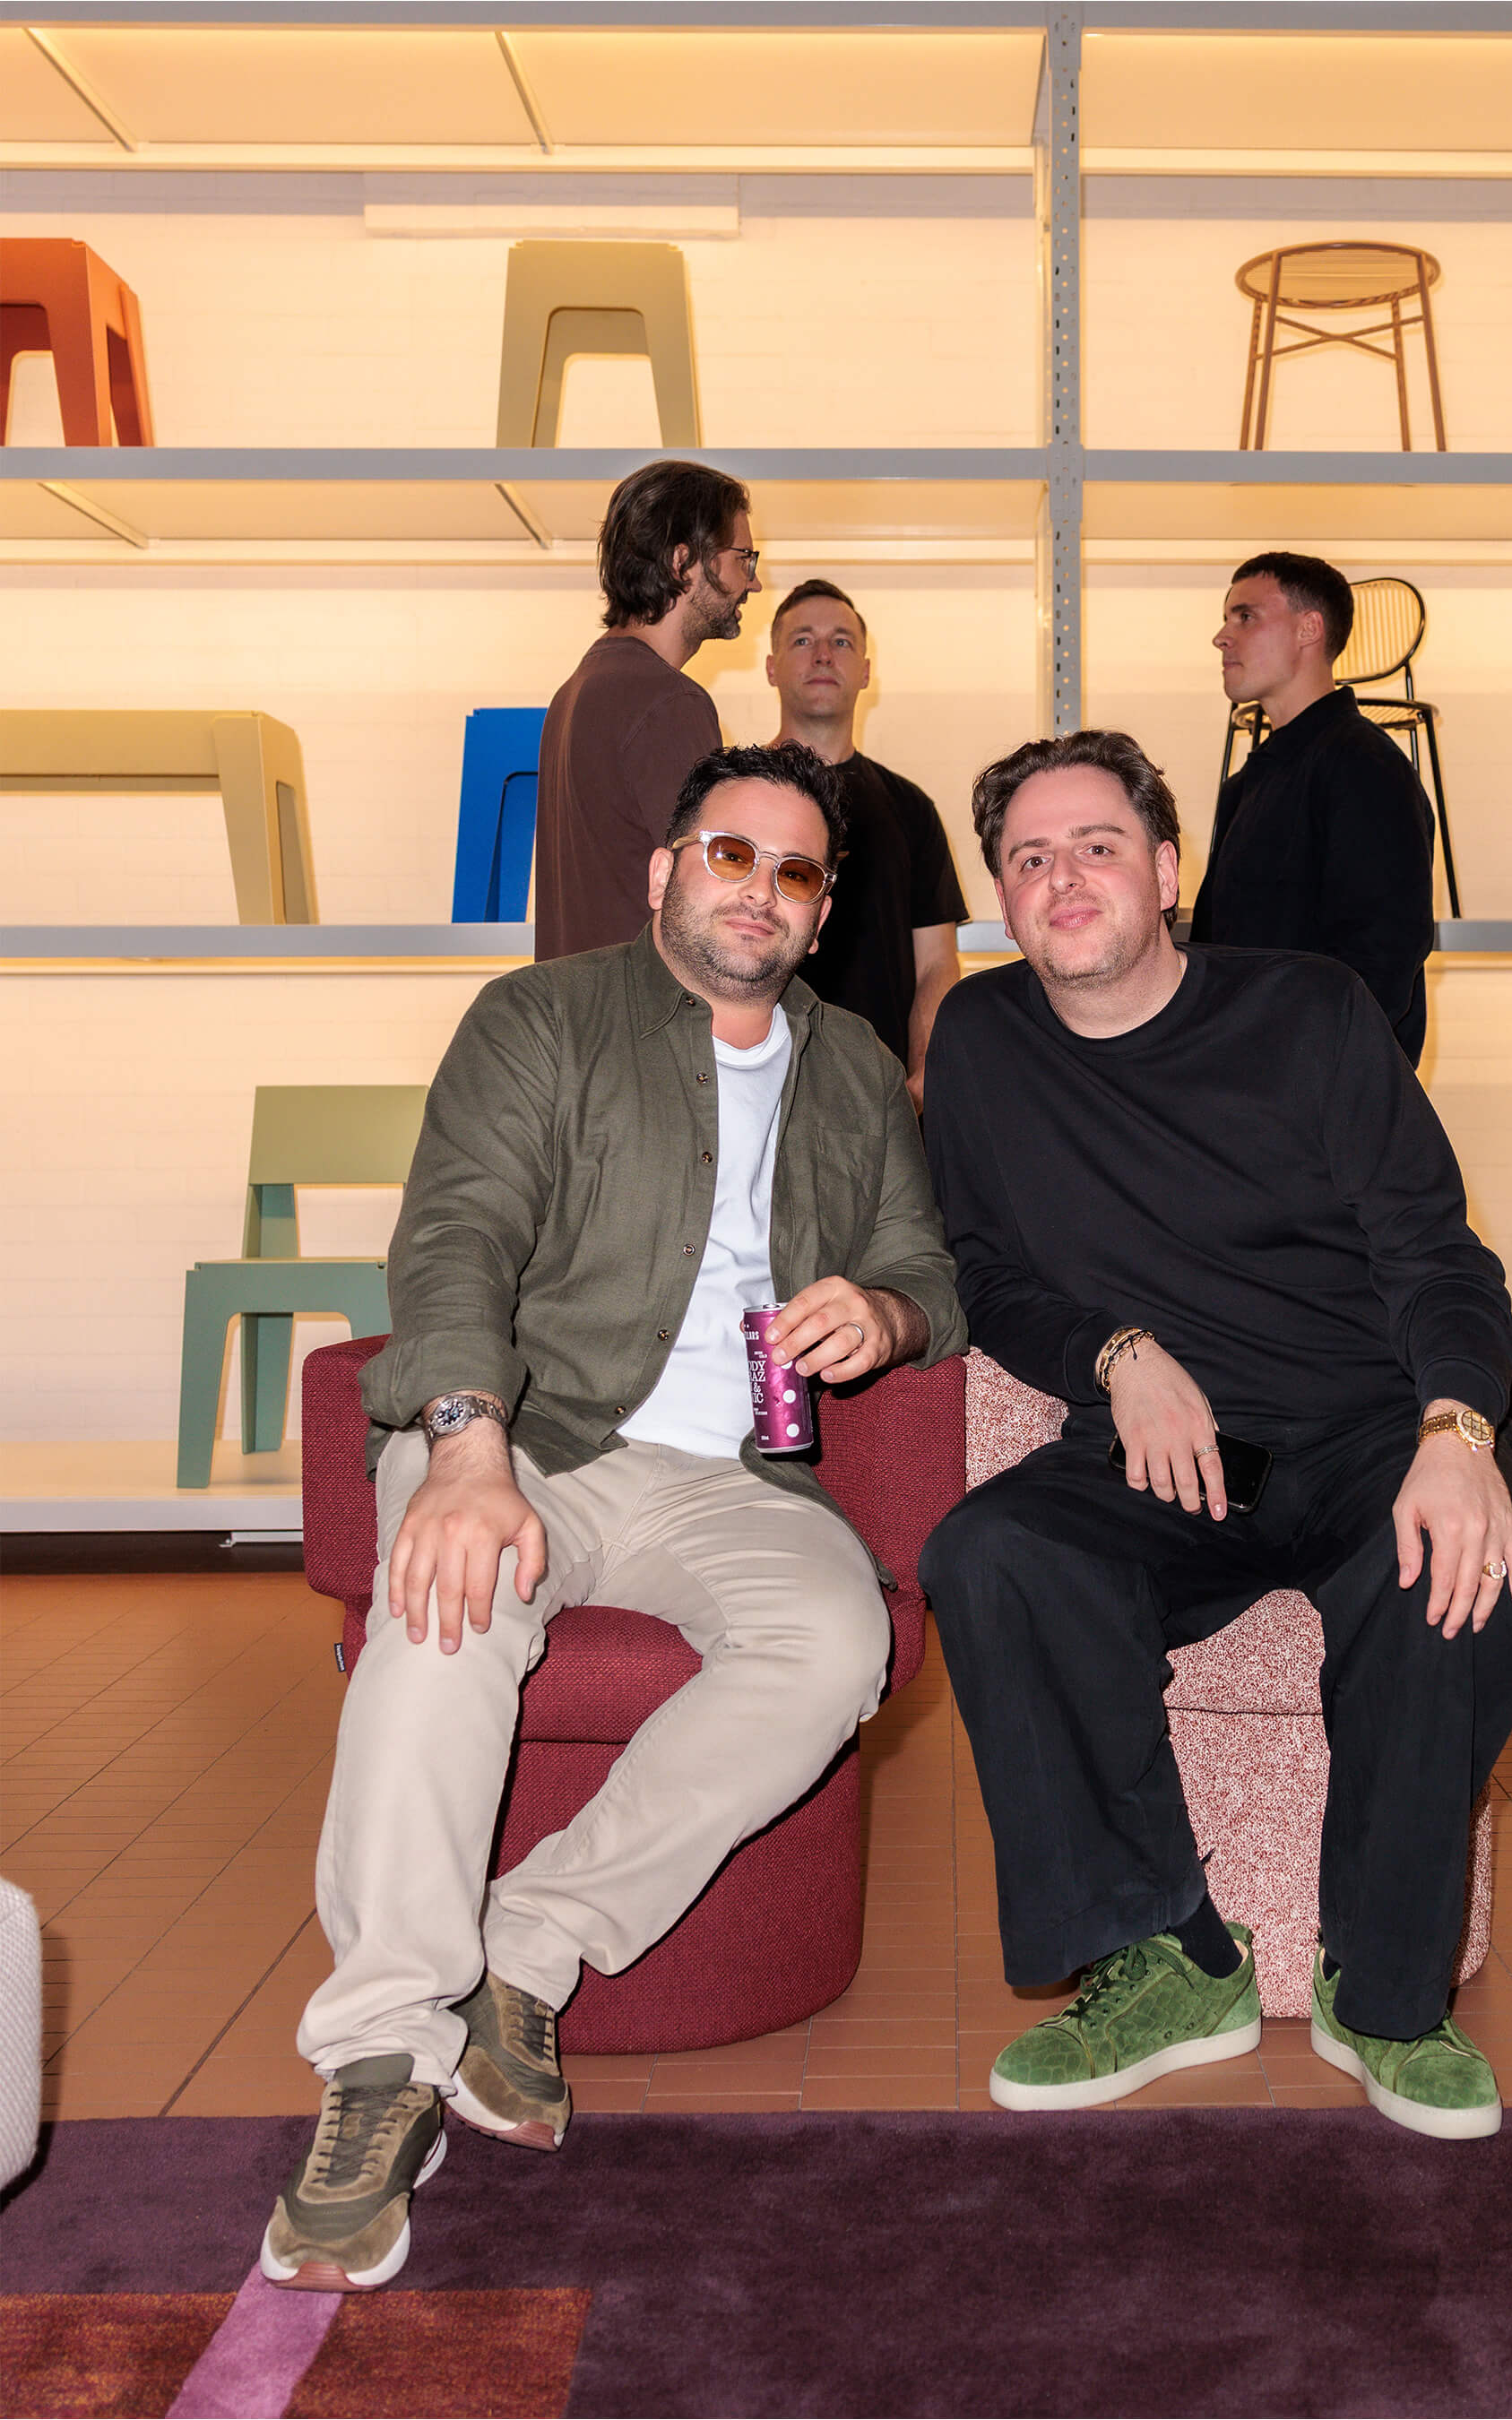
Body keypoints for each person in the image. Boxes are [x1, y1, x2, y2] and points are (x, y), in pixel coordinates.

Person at [262, 740, 965, 2293]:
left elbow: (927, 1265)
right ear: (665, 870)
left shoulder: (854, 1068)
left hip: (735, 1481)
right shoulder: (542, 1018)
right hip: (534, 1437)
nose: (759, 891)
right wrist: (462, 1447)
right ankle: (380, 2055)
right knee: (449, 1609)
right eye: (731, 854)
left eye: (795, 872)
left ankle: (525, 1946)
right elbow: (456, 1234)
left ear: (824, 910)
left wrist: (889, 1314)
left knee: (837, 1640)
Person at [919, 728, 1512, 2140]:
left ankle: (1385, 1994)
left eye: (1096, 846)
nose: (1064, 878)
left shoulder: (1310, 1012)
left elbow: (1437, 1254)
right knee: (993, 1554)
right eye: (1029, 858)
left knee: (1454, 1582)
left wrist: (1459, 1432)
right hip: (1182, 1454)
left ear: (1166, 870)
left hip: (1372, 1433)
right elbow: (983, 1275)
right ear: (1003, 900)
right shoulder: (983, 1042)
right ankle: (1169, 1959)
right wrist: (1115, 1352)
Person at [1193, 550, 1436, 1063]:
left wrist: (1307, 1073)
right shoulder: (1248, 784)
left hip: (1320, 1089)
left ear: (1309, 629)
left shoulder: (1364, 765)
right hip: (1247, 1081)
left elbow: (1383, 955)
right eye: (1227, 618)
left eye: (1246, 616)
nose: (1221, 637)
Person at [532, 459, 762, 960]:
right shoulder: (668, 702)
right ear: (683, 562)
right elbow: (719, 890)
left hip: (580, 1003)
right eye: (744, 558)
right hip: (648, 1007)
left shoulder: (577, 691)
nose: (753, 583)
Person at [766, 579, 967, 1111]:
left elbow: (936, 966)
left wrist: (921, 1079)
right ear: (771, 667)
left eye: (842, 641)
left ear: (866, 672)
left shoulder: (911, 809)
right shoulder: (736, 798)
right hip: (754, 1092)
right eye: (802, 640)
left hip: (880, 1099)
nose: (823, 654)